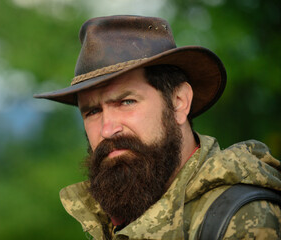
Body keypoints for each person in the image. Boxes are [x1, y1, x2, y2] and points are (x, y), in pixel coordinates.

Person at [34, 15, 281, 239]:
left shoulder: (243, 220)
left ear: (178, 103)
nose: (107, 129)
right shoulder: (115, 217)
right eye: (92, 111)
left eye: (126, 102)